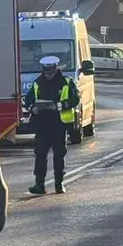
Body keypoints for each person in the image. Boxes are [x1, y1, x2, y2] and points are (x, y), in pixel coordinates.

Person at [23, 55, 80, 195]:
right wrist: (33, 108)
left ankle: (59, 184)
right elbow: (28, 100)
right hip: (42, 125)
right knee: (40, 154)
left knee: (59, 155)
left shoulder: (66, 82)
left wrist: (58, 106)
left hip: (59, 125)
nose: (48, 75)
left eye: (50, 72)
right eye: (45, 73)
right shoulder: (37, 83)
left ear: (55, 69)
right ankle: (39, 185)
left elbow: (75, 99)